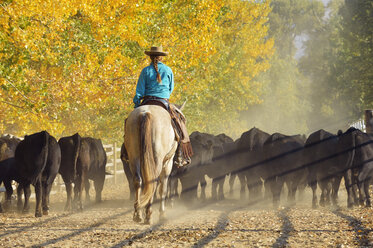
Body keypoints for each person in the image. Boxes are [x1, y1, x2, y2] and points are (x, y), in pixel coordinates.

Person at [130, 46, 192, 167]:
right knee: (180, 121)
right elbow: (170, 89)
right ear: (161, 57)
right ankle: (180, 155)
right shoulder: (168, 70)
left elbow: (139, 92)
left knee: (129, 122)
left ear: (150, 57)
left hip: (146, 101)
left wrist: (137, 105)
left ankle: (126, 152)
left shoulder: (145, 71)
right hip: (163, 102)